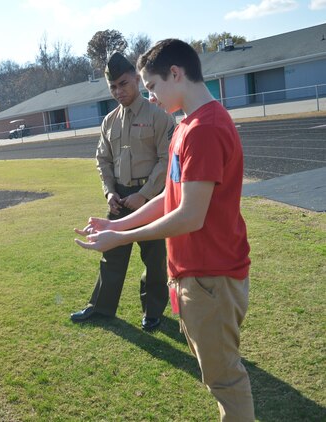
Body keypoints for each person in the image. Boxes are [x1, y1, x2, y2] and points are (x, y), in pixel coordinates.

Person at [75, 39, 254, 421]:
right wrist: (116, 223)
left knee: (225, 381)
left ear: (176, 74)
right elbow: (171, 198)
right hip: (196, 277)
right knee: (216, 376)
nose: (150, 97)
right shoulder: (187, 126)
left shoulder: (204, 129)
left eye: (152, 86)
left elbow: (190, 216)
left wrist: (121, 238)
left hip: (211, 278)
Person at [70, 52, 175, 332]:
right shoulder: (108, 122)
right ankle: (101, 308)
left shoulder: (159, 116)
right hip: (119, 198)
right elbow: (102, 160)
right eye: (113, 87)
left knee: (154, 260)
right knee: (110, 255)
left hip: (151, 198)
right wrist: (108, 193)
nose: (119, 91)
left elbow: (167, 159)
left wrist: (145, 194)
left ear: (137, 80)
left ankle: (152, 311)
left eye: (123, 83)